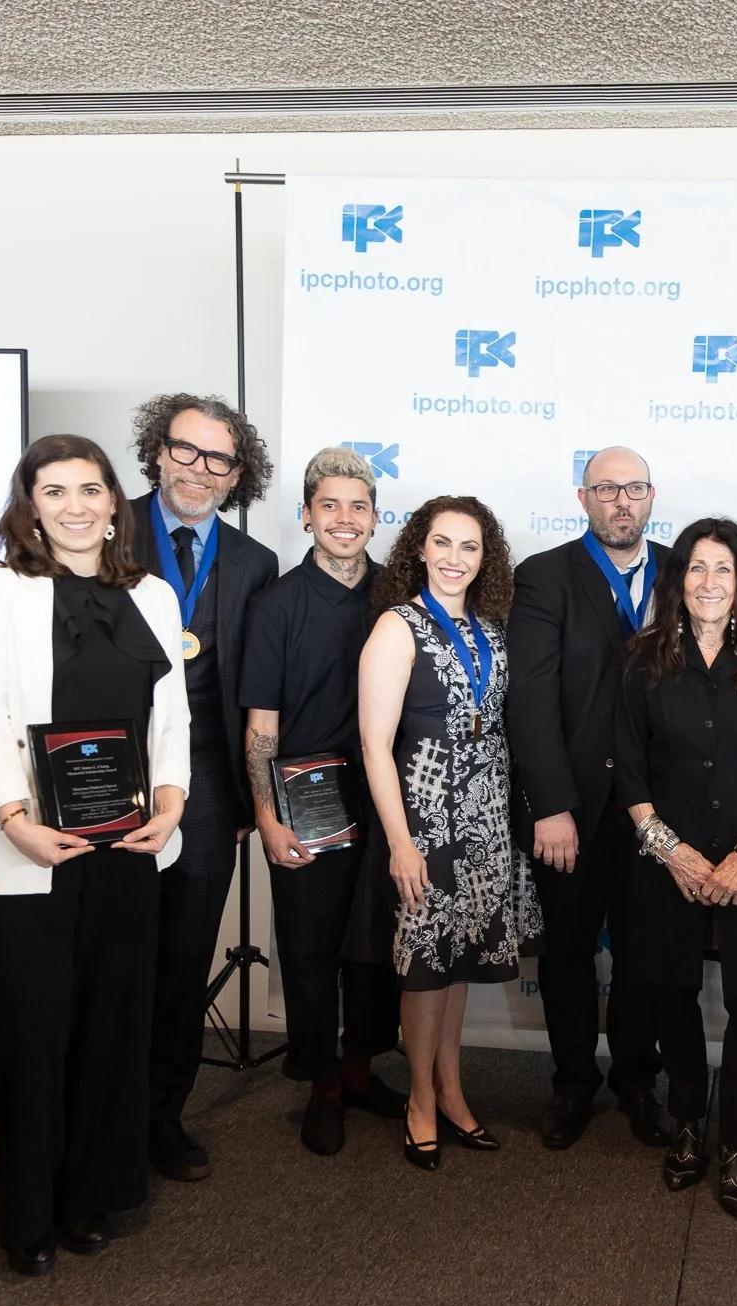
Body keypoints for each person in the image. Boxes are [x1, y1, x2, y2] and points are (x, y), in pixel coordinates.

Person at [0, 435, 190, 1276]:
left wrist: (172, 802)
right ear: (30, 503)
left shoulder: (155, 595)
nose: (77, 505)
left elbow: (171, 717)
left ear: (115, 501)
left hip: (127, 848)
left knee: (109, 1026)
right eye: (55, 491)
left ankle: (90, 1194)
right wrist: (15, 817)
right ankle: (27, 1212)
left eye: (91, 489)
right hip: (27, 854)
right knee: (32, 1031)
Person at [616, 518, 737, 1220]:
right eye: (695, 568)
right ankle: (689, 1125)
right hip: (666, 863)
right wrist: (672, 851)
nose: (708, 582)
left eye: (723, 568)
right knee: (673, 992)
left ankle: (735, 1142)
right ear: (678, 579)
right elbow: (629, 770)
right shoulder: (642, 659)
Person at [352, 496, 541, 1170]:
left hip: (486, 817)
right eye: (442, 543)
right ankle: (420, 1099)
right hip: (425, 820)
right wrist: (401, 843)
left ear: (485, 556)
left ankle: (453, 1088)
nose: (454, 558)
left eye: (469, 546)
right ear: (419, 550)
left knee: (458, 964)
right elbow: (375, 746)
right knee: (425, 968)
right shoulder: (397, 627)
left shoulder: (493, 628)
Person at [127, 394, 279, 1184]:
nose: (198, 469)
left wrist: (257, 799)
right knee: (104, 959)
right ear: (157, 451)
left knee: (185, 960)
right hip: (107, 783)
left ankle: (162, 1115)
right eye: (185, 451)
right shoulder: (103, 527)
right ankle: (81, 1118)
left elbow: (255, 691)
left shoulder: (254, 564)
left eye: (218, 459)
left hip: (211, 789)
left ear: (236, 474)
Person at [241, 448, 405, 1156]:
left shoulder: (396, 599)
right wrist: (267, 818)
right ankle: (323, 1085)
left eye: (358, 506)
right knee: (310, 951)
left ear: (376, 517)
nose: (345, 519)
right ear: (307, 514)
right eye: (329, 506)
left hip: (384, 800)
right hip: (303, 800)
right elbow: (261, 725)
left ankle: (361, 1070)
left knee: (374, 947)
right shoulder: (276, 603)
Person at [507, 445, 667, 1150]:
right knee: (568, 950)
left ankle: (636, 1079)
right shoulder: (544, 577)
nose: (621, 502)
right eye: (607, 489)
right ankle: (573, 1083)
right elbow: (532, 700)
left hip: (657, 812)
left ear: (651, 495)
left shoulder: (686, 566)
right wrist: (549, 803)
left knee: (644, 952)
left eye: (633, 488)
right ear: (583, 498)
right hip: (570, 809)